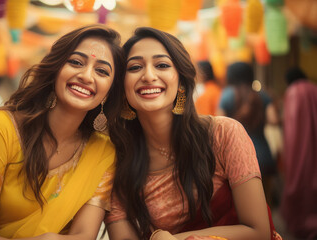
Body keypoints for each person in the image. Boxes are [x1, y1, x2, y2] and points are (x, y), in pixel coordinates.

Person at [0, 24, 125, 240]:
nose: (86, 76)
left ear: (110, 90)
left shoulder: (103, 152)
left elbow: (84, 236)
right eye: (75, 62)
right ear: (55, 69)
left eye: (102, 71)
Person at [105, 27, 281, 240]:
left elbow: (258, 231)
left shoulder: (223, 134)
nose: (149, 76)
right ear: (122, 86)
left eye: (162, 65)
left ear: (180, 81)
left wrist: (169, 238)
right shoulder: (117, 158)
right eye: (135, 67)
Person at [217, 62, 279, 203]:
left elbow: (218, 123)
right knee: (266, 200)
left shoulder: (226, 96)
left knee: (243, 203)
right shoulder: (262, 95)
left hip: (235, 156)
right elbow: (274, 120)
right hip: (262, 153)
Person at [281, 67, 317, 239]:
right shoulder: (313, 88)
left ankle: (302, 224)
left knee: (299, 181)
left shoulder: (293, 92)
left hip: (298, 147)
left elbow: (292, 126)